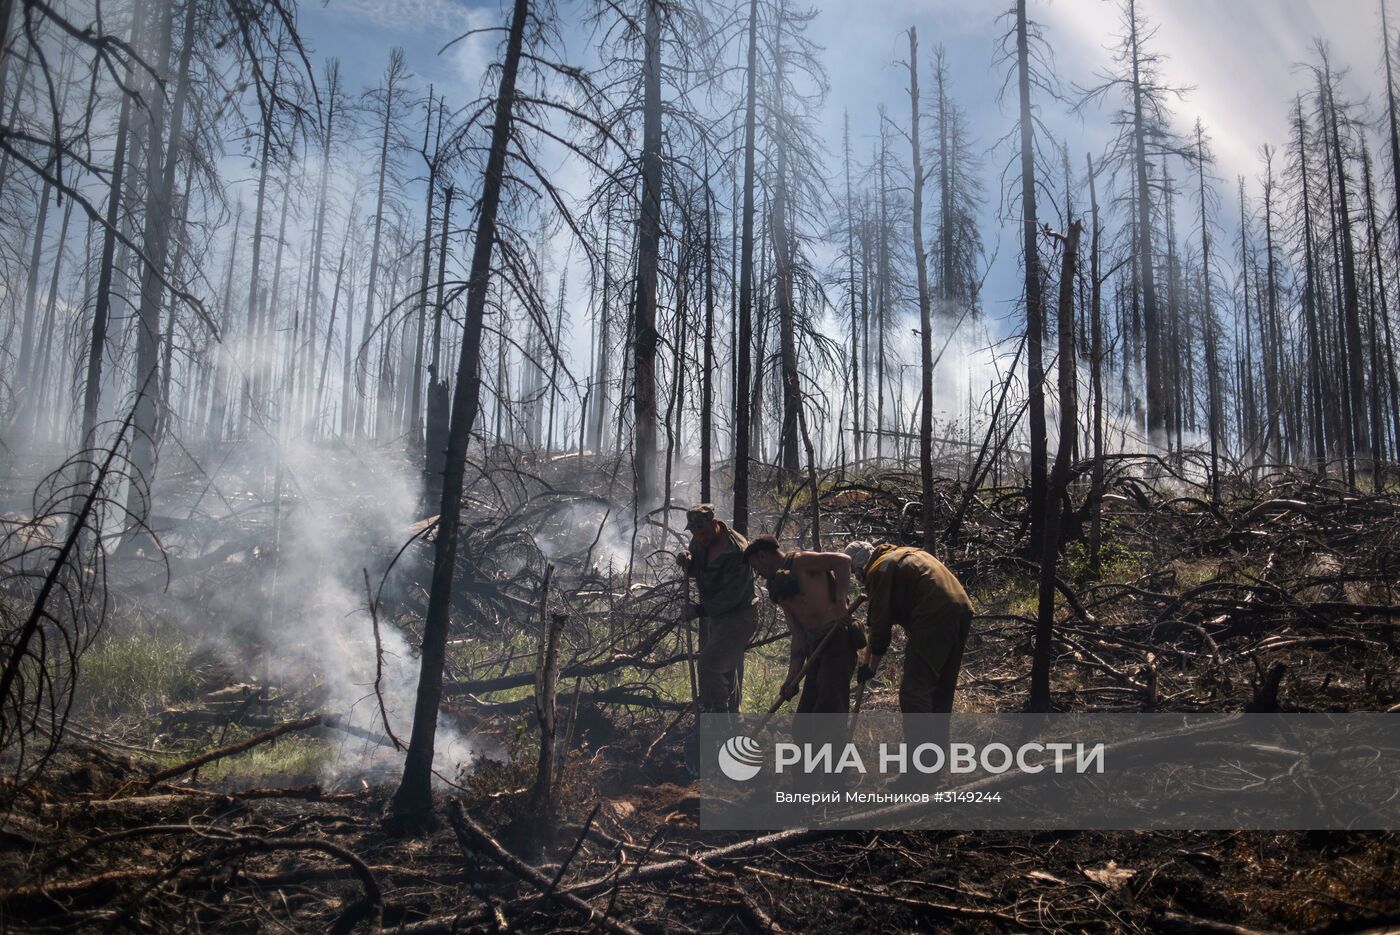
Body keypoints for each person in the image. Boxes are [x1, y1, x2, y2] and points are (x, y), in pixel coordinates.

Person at [844, 540, 973, 714]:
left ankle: (919, 741)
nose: (856, 576)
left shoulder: (879, 569)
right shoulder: (902, 553)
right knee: (941, 688)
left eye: (853, 570)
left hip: (933, 614)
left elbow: (880, 624)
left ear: (859, 563)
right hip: (962, 608)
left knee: (914, 692)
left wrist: (871, 668)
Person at [745, 536, 861, 713]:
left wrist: (840, 603)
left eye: (755, 567)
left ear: (762, 556)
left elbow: (843, 561)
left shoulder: (802, 561)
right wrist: (793, 677)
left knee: (828, 709)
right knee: (804, 722)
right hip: (815, 647)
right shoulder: (778, 586)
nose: (757, 573)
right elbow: (798, 634)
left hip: (837, 638)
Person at [676, 504, 757, 713]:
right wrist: (686, 559)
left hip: (738, 616)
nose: (699, 537)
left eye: (702, 532)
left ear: (714, 524)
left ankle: (718, 721)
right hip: (715, 617)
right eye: (695, 533)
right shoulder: (701, 537)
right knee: (724, 667)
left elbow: (731, 597)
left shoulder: (737, 551)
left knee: (710, 664)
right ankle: (732, 719)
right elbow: (697, 568)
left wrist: (698, 611)